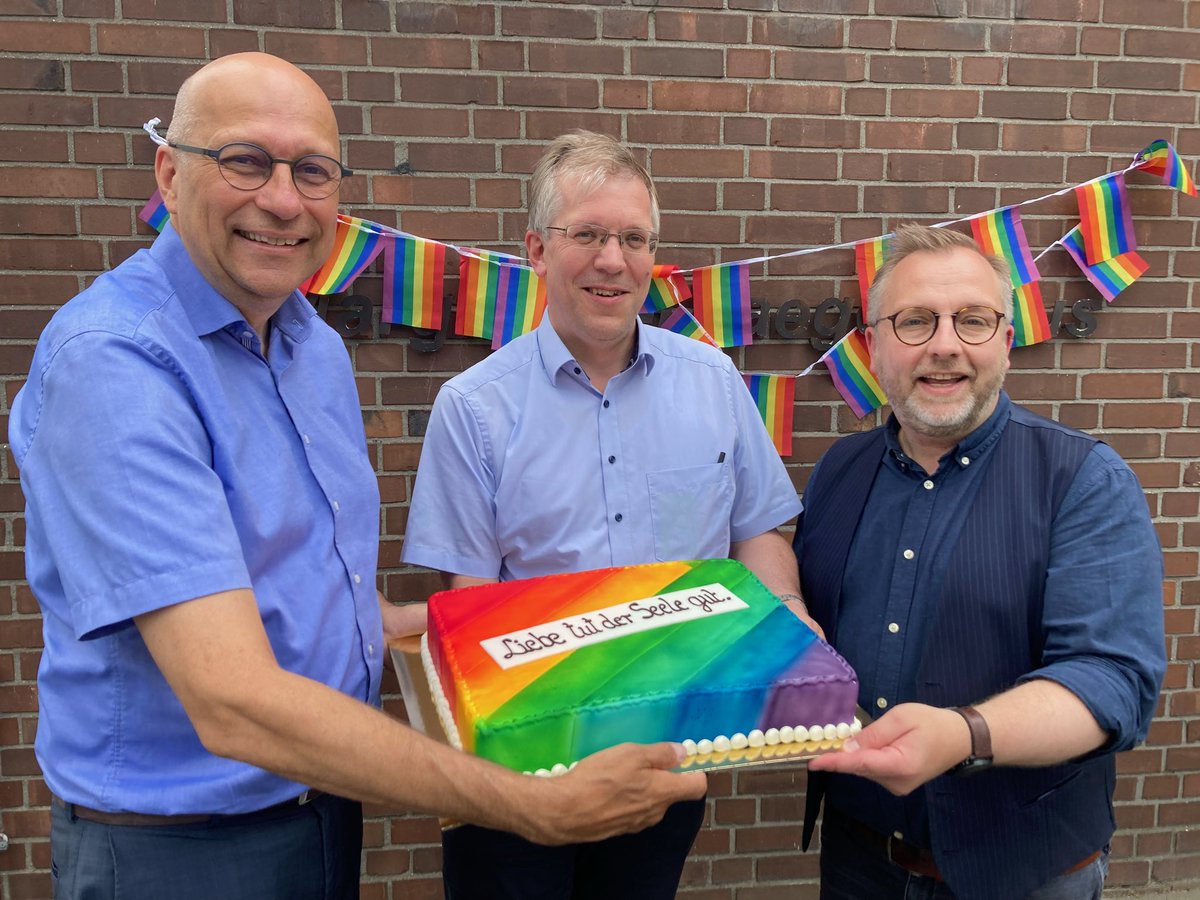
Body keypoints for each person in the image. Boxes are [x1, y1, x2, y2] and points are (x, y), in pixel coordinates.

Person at [9, 55, 706, 900]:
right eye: (244, 160)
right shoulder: (116, 367)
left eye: (312, 171)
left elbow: (316, 596)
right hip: (181, 849)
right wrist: (532, 805)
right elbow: (232, 700)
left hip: (322, 812)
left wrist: (512, 630)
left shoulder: (313, 349)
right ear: (169, 170)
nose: (282, 199)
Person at [401, 130, 809, 899]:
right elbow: (465, 598)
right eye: (586, 234)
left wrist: (786, 610)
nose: (612, 260)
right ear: (536, 249)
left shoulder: (713, 380)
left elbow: (757, 531)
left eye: (632, 238)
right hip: (527, 762)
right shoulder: (474, 408)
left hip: (669, 747)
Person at [794, 224, 1166, 900]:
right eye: (914, 321)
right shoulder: (837, 472)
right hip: (858, 858)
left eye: (971, 320)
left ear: (1004, 340)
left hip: (1024, 871)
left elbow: (1113, 680)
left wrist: (964, 735)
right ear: (874, 346)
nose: (943, 344)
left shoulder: (1084, 480)